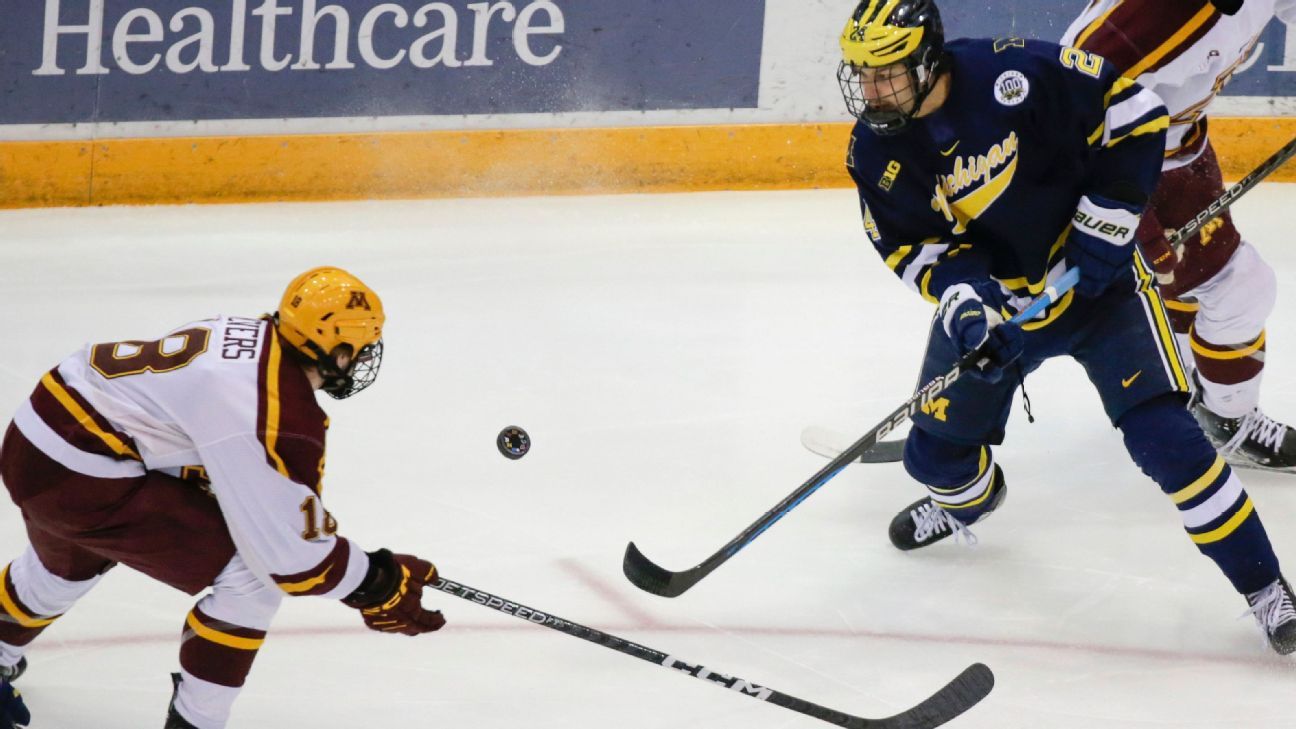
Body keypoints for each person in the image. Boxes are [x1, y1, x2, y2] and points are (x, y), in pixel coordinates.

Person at [835, 0, 1296, 652]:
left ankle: (1264, 586)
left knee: (1171, 445)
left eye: (886, 73)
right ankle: (970, 501)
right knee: (933, 457)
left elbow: (1134, 112)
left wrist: (1108, 224)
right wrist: (967, 301)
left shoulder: (1011, 74)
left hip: (1100, 292)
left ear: (928, 58)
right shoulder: (874, 150)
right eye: (862, 74)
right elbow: (913, 248)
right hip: (1003, 312)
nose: (872, 90)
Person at [0, 267, 446, 728]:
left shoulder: (251, 336)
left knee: (68, 561)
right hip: (80, 470)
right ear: (340, 349)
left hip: (41, 435)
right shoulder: (277, 411)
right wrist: (375, 581)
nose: (365, 358)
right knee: (251, 579)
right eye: (363, 347)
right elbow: (292, 561)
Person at [1063, 0, 1296, 471]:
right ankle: (1228, 422)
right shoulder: (1144, 19)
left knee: (1195, 286)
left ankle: (1189, 391)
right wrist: (1127, 213)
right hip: (1121, 162)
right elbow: (1062, 114)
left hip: (1182, 141)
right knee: (1241, 290)